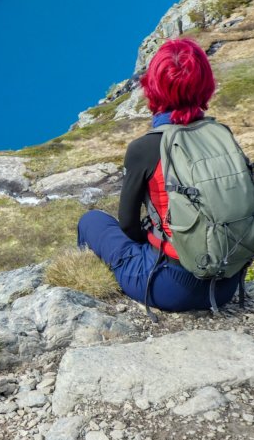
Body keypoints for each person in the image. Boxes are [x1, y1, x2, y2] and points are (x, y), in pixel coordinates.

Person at [77, 38, 241, 312]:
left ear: (153, 88)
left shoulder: (145, 148)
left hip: (170, 287)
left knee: (91, 221)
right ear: (206, 85)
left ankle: (90, 294)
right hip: (226, 283)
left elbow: (128, 226)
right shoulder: (221, 136)